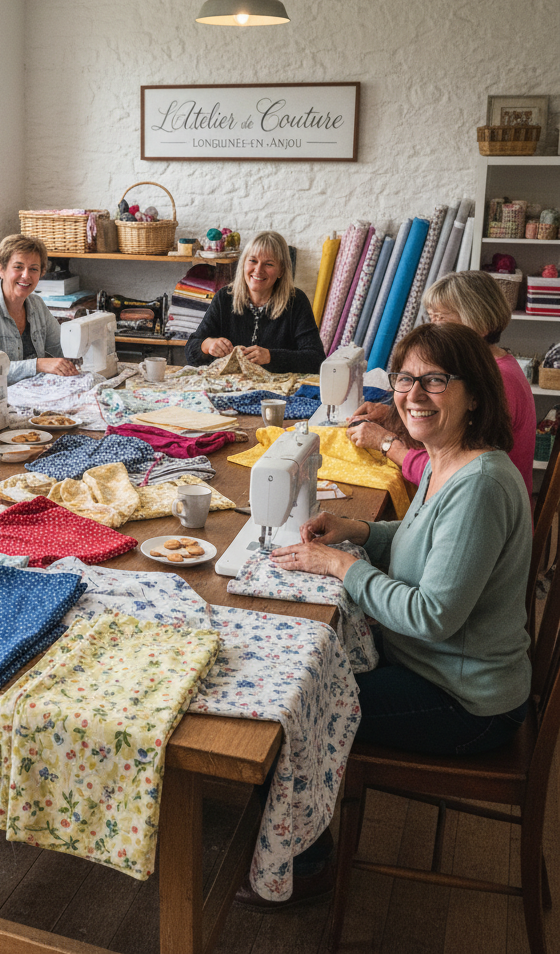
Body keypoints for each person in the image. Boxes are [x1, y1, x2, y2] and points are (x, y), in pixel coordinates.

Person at [238, 323, 532, 911]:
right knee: (302, 665)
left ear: (474, 393)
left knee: (295, 711)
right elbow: (428, 537)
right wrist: (362, 531)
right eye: (406, 378)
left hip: (466, 701)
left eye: (435, 381)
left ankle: (309, 864)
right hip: (439, 669)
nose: (414, 395)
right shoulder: (454, 460)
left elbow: (431, 616)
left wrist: (340, 568)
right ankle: (288, 825)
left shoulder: (479, 484)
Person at [348, 270, 535, 495]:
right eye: (431, 318)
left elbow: (452, 476)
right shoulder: (493, 364)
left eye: (442, 319)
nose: (433, 329)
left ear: (481, 324)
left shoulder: (498, 380)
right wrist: (394, 414)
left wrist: (386, 443)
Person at [185, 231, 325, 373]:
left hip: (276, 391)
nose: (258, 270)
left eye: (268, 264)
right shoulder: (225, 297)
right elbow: (191, 351)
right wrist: (207, 345)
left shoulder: (296, 301)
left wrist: (271, 357)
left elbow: (316, 359)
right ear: (244, 263)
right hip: (231, 388)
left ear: (281, 270)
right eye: (252, 261)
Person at [0, 233, 80, 384]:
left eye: (33, 269)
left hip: (29, 394)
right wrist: (37, 365)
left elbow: (60, 347)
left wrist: (85, 351)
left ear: (41, 273)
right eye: (18, 267)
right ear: (1, 269)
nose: (26, 275)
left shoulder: (37, 305)